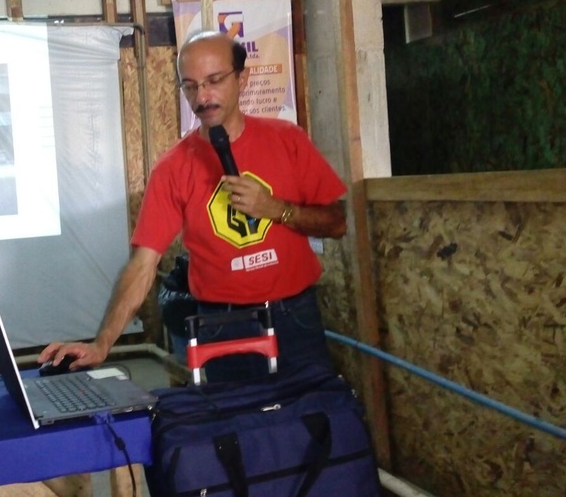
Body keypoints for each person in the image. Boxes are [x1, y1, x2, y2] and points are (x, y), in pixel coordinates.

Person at [39, 30, 347, 382]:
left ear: (242, 79)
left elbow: (337, 223)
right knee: (229, 434)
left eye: (214, 81)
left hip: (295, 317)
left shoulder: (286, 140)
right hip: (220, 326)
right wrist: (102, 343)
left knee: (313, 427)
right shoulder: (173, 168)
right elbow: (143, 266)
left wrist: (277, 209)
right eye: (190, 86)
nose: (202, 97)